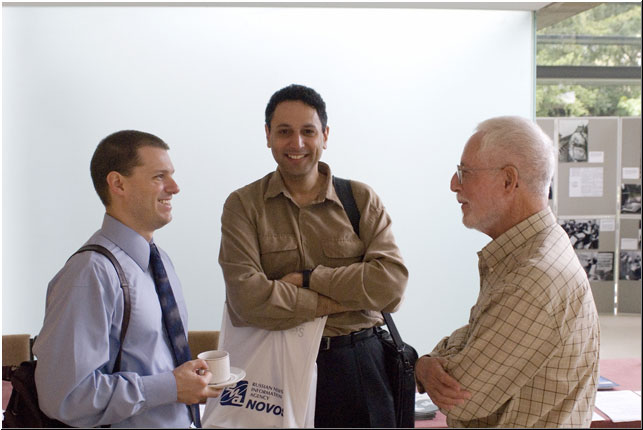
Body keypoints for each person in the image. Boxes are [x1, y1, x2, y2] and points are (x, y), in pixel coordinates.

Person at [218, 84, 408, 428]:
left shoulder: (360, 199)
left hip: (358, 365)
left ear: (325, 135)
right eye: (284, 132)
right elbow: (246, 299)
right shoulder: (243, 205)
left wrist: (306, 280)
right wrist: (339, 301)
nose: (297, 143)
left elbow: (391, 285)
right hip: (275, 369)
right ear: (267, 135)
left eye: (308, 131)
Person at [415, 116, 600, 428]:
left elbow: (461, 396)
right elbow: (475, 335)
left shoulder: (533, 278)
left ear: (508, 180)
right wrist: (428, 364)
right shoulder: (528, 255)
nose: (454, 184)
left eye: (464, 172)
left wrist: (426, 366)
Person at [33, 130, 222, 427]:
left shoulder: (160, 262)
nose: (175, 188)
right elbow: (66, 396)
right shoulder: (90, 273)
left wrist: (187, 383)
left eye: (171, 176)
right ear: (118, 184)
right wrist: (170, 387)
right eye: (159, 177)